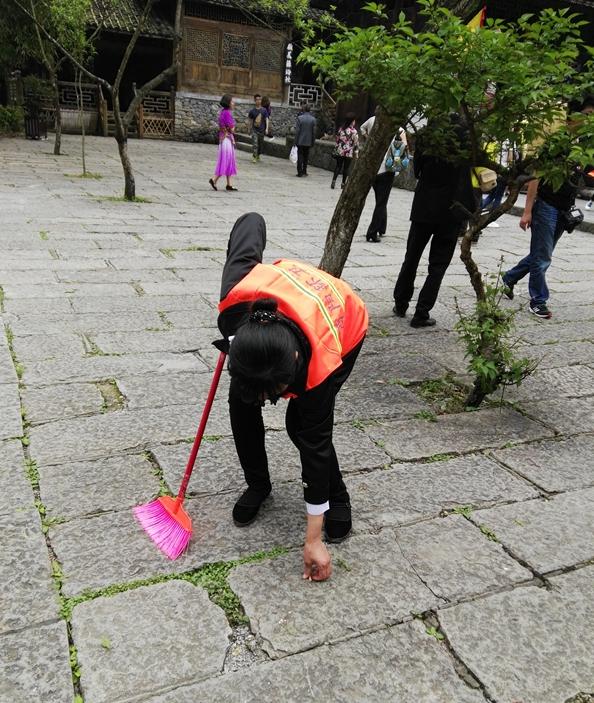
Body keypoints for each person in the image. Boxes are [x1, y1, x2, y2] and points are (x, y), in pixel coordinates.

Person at [216, 213, 368, 582]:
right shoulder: (235, 301)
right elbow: (250, 225)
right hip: (278, 311)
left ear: (296, 365)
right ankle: (258, 483)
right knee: (241, 402)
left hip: (343, 319)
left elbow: (316, 448)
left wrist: (312, 539)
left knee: (302, 426)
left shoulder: (320, 364)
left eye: (277, 393)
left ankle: (339, 495)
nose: (270, 401)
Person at [502, 98, 594, 319]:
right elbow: (536, 175)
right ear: (573, 114)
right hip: (546, 204)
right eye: (588, 113)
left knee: (541, 253)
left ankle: (509, 278)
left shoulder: (583, 144)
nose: (590, 119)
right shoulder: (557, 142)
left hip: (565, 208)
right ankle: (538, 300)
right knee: (543, 257)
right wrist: (527, 210)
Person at [393, 114, 475, 327]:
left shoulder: (428, 135)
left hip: (425, 204)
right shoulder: (467, 138)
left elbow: (417, 171)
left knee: (411, 256)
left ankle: (401, 302)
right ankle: (422, 312)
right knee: (437, 265)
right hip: (452, 208)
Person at [209, 94, 238, 192]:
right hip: (227, 140)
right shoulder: (228, 113)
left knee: (228, 161)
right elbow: (232, 129)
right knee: (226, 161)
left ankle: (229, 184)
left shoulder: (223, 112)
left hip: (224, 139)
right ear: (228, 103)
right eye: (232, 101)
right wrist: (234, 126)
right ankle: (214, 179)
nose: (233, 103)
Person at [331, 113, 359, 189]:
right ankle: (343, 183)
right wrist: (356, 153)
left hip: (340, 151)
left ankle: (333, 181)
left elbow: (337, 140)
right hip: (348, 152)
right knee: (346, 168)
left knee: (338, 166)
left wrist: (337, 147)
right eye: (354, 120)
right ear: (352, 121)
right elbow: (356, 143)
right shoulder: (354, 131)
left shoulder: (341, 129)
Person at [294, 103, 316, 177]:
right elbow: (314, 132)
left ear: (303, 109)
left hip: (300, 140)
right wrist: (313, 141)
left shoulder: (300, 118)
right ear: (310, 110)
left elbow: (297, 131)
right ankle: (304, 171)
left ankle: (299, 172)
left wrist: (295, 141)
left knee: (300, 156)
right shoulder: (313, 119)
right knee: (306, 156)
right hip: (308, 141)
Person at [248, 94, 268, 163]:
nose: (258, 101)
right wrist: (249, 129)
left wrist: (267, 128)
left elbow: (267, 119)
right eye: (257, 100)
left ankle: (258, 154)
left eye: (260, 99)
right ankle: (254, 156)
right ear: (255, 101)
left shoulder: (264, 110)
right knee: (255, 144)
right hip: (254, 130)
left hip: (261, 130)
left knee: (260, 144)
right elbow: (250, 120)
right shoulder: (252, 111)